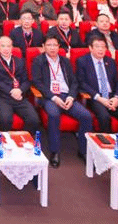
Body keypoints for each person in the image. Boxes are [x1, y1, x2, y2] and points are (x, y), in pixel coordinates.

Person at [31, 36, 93, 167]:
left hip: (66, 96)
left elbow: (74, 82)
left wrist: (71, 97)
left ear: (59, 47)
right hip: (49, 97)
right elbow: (37, 82)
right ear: (43, 47)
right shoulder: (38, 61)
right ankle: (55, 151)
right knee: (54, 115)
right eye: (49, 45)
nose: (52, 48)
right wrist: (54, 97)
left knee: (86, 116)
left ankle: (83, 151)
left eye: (55, 45)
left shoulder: (65, 61)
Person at [76, 37, 118, 134]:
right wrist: (99, 98)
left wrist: (116, 98)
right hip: (95, 98)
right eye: (97, 47)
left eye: (103, 47)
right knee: (104, 117)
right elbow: (81, 83)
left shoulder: (111, 61)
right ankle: (105, 141)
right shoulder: (82, 61)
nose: (101, 49)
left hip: (111, 97)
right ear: (90, 48)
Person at [0, 36, 40, 134]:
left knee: (34, 119)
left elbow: (26, 81)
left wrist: (20, 90)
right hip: (3, 97)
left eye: (8, 46)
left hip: (20, 97)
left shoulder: (20, 61)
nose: (6, 49)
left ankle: (23, 140)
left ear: (12, 47)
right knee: (6, 120)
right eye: (3, 46)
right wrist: (11, 91)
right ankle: (5, 141)